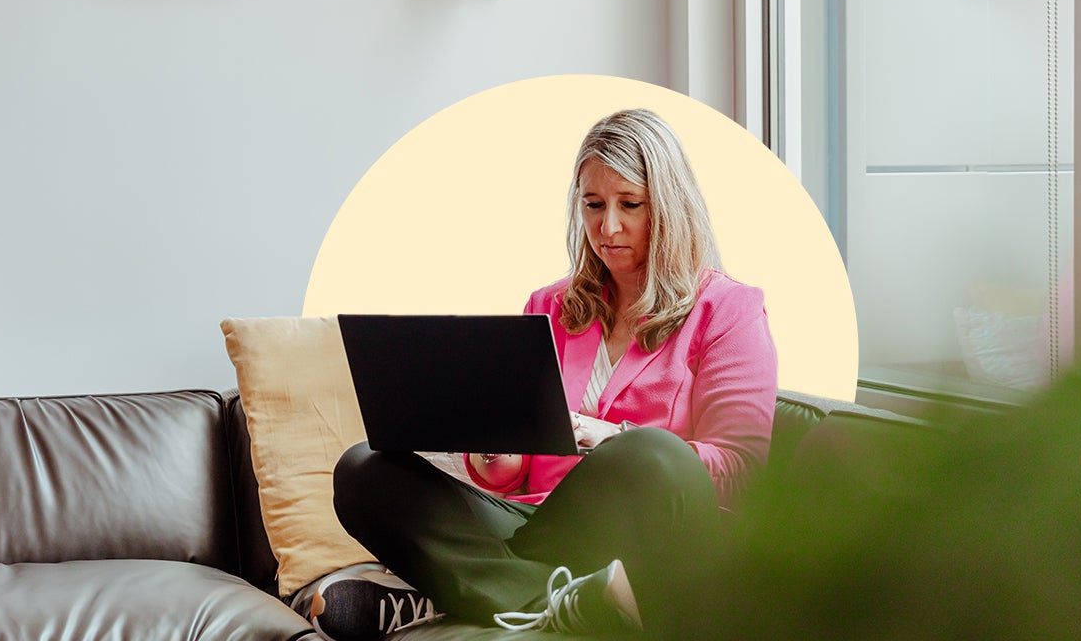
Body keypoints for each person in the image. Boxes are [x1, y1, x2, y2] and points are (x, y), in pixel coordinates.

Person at [312, 108, 778, 640]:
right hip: (534, 526)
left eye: (630, 205)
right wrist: (495, 453)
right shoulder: (550, 306)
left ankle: (458, 591)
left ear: (669, 206)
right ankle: (555, 599)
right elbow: (516, 477)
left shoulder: (729, 310)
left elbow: (741, 471)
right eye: (593, 205)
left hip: (636, 531)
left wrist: (615, 439)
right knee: (364, 468)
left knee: (653, 455)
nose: (608, 228)